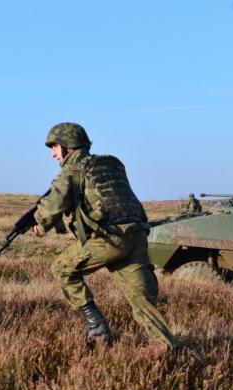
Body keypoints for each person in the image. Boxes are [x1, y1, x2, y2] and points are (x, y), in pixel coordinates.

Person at [31, 122, 175, 349]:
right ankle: (167, 351)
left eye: (55, 147)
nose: (52, 154)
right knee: (144, 303)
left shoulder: (70, 171)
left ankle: (96, 325)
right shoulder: (110, 165)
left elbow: (53, 206)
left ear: (68, 147)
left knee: (62, 268)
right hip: (136, 237)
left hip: (108, 240)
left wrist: (40, 225)